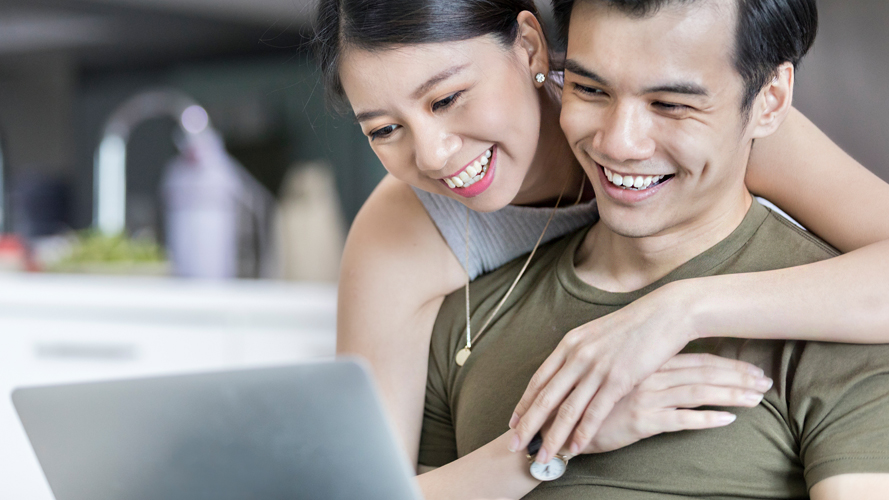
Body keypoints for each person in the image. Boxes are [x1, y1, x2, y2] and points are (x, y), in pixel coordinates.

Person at [313, 0, 889, 471]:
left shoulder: (698, 117)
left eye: (447, 99)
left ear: (532, 47)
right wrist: (557, 439)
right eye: (386, 129)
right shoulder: (400, 233)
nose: (433, 153)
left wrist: (680, 310)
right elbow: (359, 489)